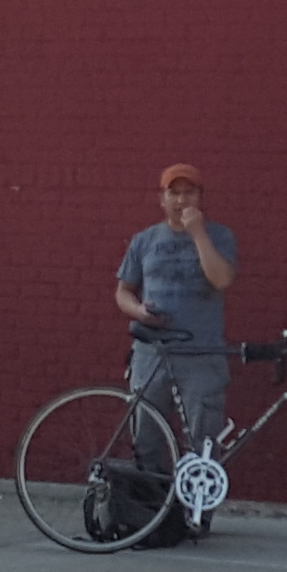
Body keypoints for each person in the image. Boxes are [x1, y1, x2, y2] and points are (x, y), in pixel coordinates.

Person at [109, 164, 241, 531]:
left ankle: (197, 517)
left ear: (200, 198)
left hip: (201, 354)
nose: (181, 200)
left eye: (189, 192)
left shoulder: (220, 236)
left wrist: (198, 234)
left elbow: (222, 279)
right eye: (174, 193)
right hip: (151, 353)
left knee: (202, 438)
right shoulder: (144, 240)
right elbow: (123, 292)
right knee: (146, 434)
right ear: (162, 199)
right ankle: (153, 516)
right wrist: (139, 311)